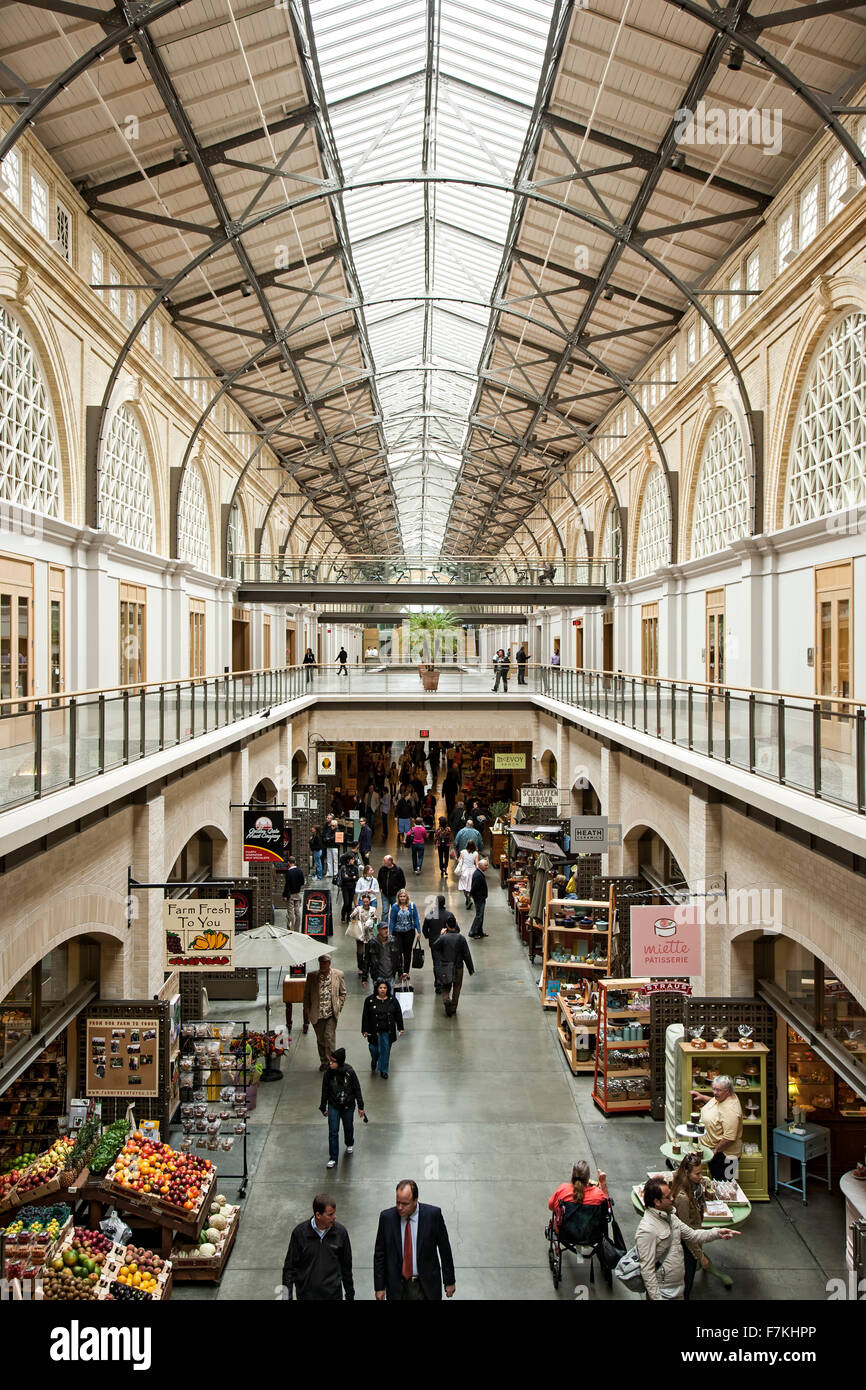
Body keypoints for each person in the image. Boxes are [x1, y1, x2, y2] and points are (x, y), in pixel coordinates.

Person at [636, 1178, 739, 1301]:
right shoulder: (647, 1230)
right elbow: (647, 1271)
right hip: (663, 1293)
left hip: (679, 1288)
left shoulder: (671, 1218)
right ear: (657, 1202)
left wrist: (717, 1233)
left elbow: (692, 1235)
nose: (673, 1199)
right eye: (668, 1197)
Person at [374, 1180, 456, 1301]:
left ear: (415, 1200)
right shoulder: (387, 1218)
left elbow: (445, 1250)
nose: (399, 1207)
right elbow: (380, 1255)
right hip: (397, 1287)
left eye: (405, 1204)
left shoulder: (433, 1216)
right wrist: (379, 1287)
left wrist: (449, 1281)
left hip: (426, 1287)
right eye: (397, 1202)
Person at [670, 1152, 734, 1296]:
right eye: (697, 1174)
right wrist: (700, 1256)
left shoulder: (693, 1186)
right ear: (686, 1172)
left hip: (693, 1236)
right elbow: (687, 1234)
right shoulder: (684, 1199)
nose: (701, 1177)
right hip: (685, 1245)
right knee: (686, 1284)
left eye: (702, 1173)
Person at [282, 1194, 354, 1301]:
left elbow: (346, 1267)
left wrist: (350, 1295)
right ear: (318, 1215)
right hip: (306, 1296)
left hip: (332, 1296)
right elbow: (289, 1269)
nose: (335, 1217)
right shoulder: (300, 1234)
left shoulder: (341, 1233)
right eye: (330, 1214)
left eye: (334, 1213)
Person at [689, 1075, 743, 1181]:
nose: (714, 1093)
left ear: (727, 1090)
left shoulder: (731, 1110)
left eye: (718, 1090)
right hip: (716, 1154)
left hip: (726, 1156)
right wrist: (703, 1097)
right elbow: (715, 1103)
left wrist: (715, 1151)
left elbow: (729, 1138)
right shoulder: (723, 1098)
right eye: (713, 1089)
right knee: (715, 1182)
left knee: (726, 1187)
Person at [320, 1047, 365, 1167]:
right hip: (333, 1105)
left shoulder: (349, 1072)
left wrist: (361, 1106)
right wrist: (323, 1106)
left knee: (348, 1126)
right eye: (330, 1061)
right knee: (333, 1131)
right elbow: (325, 1090)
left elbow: (357, 1089)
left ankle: (349, 1142)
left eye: (333, 1062)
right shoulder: (328, 1073)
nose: (330, 1063)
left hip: (348, 1106)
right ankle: (333, 1157)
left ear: (339, 1062)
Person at [303, 955, 347, 1070]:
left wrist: (339, 1005)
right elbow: (306, 995)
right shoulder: (312, 976)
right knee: (321, 1039)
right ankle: (324, 1061)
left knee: (329, 1037)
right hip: (317, 1014)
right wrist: (307, 1011)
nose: (322, 965)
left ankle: (331, 1062)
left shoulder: (338, 975)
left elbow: (343, 992)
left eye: (325, 963)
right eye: (321, 963)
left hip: (331, 1013)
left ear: (329, 963)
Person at [548, 1161, 608, 1233]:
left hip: (565, 1235)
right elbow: (607, 1208)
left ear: (572, 1175)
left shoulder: (563, 1189)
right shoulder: (598, 1194)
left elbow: (551, 1206)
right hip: (592, 1235)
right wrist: (603, 1182)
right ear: (588, 1177)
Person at [361, 978, 404, 1078]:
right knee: (374, 1049)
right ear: (377, 989)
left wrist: (400, 1028)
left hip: (387, 1031)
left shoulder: (392, 1000)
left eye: (384, 988)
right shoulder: (369, 1000)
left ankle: (384, 1070)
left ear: (388, 989)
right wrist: (365, 1030)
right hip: (374, 1030)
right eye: (380, 988)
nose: (382, 990)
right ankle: (374, 1060)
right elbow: (365, 1016)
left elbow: (398, 1014)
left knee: (385, 1051)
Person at [431, 918, 475, 1017]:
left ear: (446, 925)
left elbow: (435, 946)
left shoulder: (443, 938)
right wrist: (470, 968)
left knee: (446, 987)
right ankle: (453, 1008)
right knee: (457, 987)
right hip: (458, 966)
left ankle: (446, 1000)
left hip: (446, 966)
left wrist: (441, 935)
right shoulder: (461, 938)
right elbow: (466, 954)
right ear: (456, 924)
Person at [422, 893, 457, 994]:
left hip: (434, 943)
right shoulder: (449, 915)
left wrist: (429, 936)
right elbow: (456, 929)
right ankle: (446, 981)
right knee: (446, 963)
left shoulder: (430, 914)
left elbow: (425, 929)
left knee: (436, 964)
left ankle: (438, 984)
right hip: (447, 943)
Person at [388, 888, 421, 979]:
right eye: (401, 896)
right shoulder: (395, 907)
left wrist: (418, 931)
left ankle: (406, 972)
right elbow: (392, 920)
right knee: (398, 952)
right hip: (397, 932)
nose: (402, 898)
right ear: (398, 897)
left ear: (407, 897)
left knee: (407, 952)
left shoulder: (412, 906)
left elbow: (416, 918)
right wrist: (390, 933)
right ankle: (400, 970)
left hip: (409, 932)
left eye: (404, 896)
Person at [347, 891, 378, 983]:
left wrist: (375, 919)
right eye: (364, 901)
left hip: (369, 933)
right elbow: (351, 917)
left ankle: (366, 968)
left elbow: (374, 920)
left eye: (367, 901)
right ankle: (360, 967)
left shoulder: (373, 909)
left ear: (369, 902)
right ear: (362, 901)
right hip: (360, 932)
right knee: (360, 952)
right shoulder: (358, 909)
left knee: (368, 952)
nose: (365, 903)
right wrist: (354, 917)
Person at [368, 921, 399, 986]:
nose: (386, 931)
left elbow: (398, 958)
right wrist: (364, 978)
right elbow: (367, 960)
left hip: (390, 975)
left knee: (390, 995)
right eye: (383, 929)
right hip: (378, 976)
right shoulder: (372, 943)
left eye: (386, 928)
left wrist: (401, 972)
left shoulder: (393, 941)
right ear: (378, 930)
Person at [281, 854, 305, 932]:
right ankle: (297, 929)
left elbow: (287, 885)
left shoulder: (288, 872)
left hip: (290, 894)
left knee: (290, 913)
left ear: (288, 862)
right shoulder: (299, 871)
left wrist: (284, 895)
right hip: (297, 894)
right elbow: (302, 882)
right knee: (297, 912)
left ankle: (291, 928)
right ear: (295, 862)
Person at [378, 854, 406, 921]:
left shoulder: (398, 870)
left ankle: (396, 924)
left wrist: (398, 892)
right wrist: (381, 887)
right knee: (385, 911)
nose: (383, 862)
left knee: (396, 910)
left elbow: (403, 882)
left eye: (384, 861)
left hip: (394, 895)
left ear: (390, 862)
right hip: (385, 894)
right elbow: (379, 879)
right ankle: (384, 926)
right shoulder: (382, 869)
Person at [468, 856, 489, 939]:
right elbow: (475, 886)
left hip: (481, 897)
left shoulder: (479, 873)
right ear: (480, 866)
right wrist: (471, 894)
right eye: (485, 866)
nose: (487, 867)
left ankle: (479, 931)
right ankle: (473, 932)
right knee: (479, 915)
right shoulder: (478, 875)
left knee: (481, 915)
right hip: (479, 898)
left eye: (487, 865)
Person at [455, 839, 478, 910]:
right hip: (472, 871)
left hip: (464, 870)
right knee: (470, 886)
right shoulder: (476, 853)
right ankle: (469, 898)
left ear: (467, 845)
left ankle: (468, 898)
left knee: (464, 886)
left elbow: (459, 860)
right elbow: (477, 863)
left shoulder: (463, 852)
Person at [322, 817, 338, 881]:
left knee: (335, 861)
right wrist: (328, 839)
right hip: (329, 846)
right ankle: (329, 872)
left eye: (333, 826)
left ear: (336, 825)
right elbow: (326, 837)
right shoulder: (330, 830)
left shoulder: (337, 831)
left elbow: (333, 838)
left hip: (334, 847)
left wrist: (328, 839)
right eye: (331, 825)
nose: (332, 827)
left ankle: (335, 873)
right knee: (329, 860)